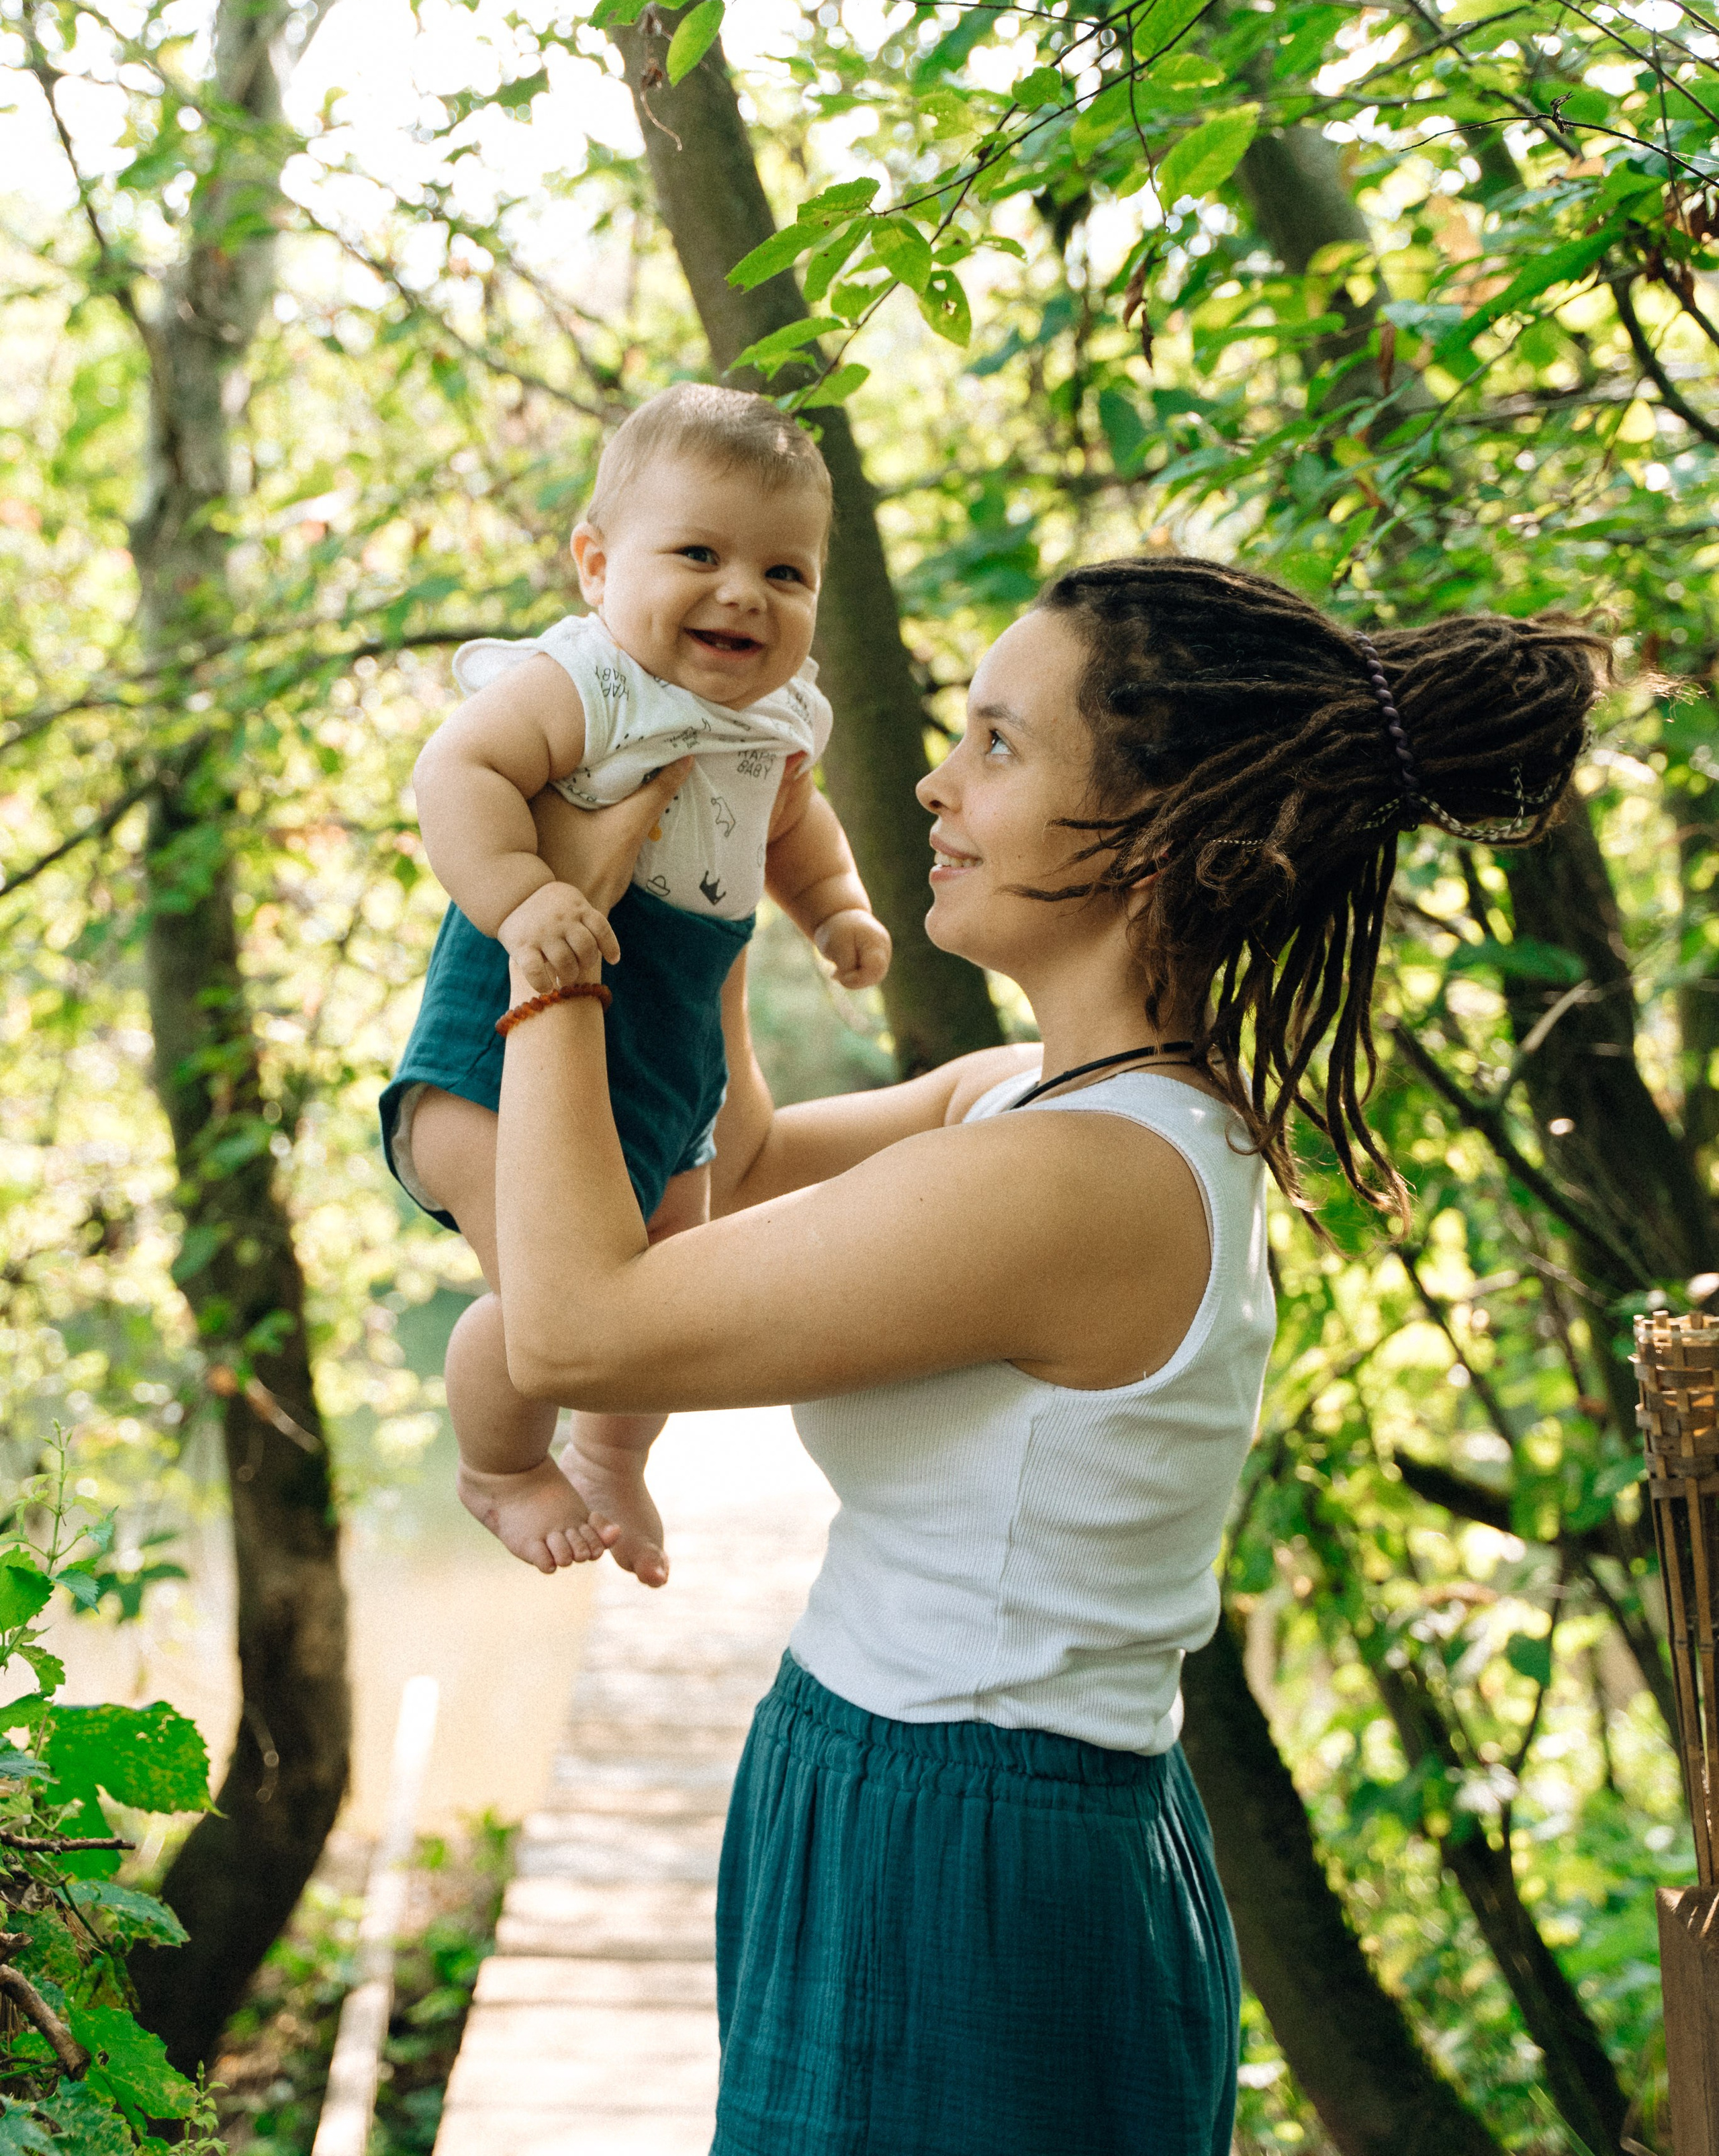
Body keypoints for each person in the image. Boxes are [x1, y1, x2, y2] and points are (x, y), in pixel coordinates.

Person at [483, 554, 1604, 2155]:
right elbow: (719, 1165)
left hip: (969, 1856)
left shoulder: (1082, 1182)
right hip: (874, 1781)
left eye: (998, 745)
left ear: (1166, 834)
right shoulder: (1027, 1097)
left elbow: (580, 1325)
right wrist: (702, 880)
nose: (932, 784)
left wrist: (548, 939)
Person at [381, 385, 891, 1582]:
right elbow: (459, 770)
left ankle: (613, 1456)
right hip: (496, 1059)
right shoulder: (589, 681)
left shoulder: (781, 718)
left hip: (664, 1066)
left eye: (786, 572)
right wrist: (521, 894)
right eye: (700, 554)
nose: (743, 593)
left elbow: (792, 829)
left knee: (665, 1290)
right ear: (598, 564)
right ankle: (501, 1465)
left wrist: (837, 909)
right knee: (556, 1304)